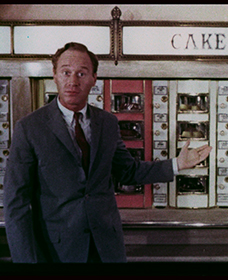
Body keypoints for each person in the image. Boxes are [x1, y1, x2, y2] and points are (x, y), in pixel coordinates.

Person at [3, 42, 212, 263]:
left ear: (94, 78)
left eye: (82, 73)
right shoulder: (30, 127)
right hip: (57, 251)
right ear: (54, 75)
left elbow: (128, 171)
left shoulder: (107, 122)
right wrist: (27, 263)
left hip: (106, 248)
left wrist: (176, 164)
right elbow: (16, 203)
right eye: (66, 72)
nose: (73, 81)